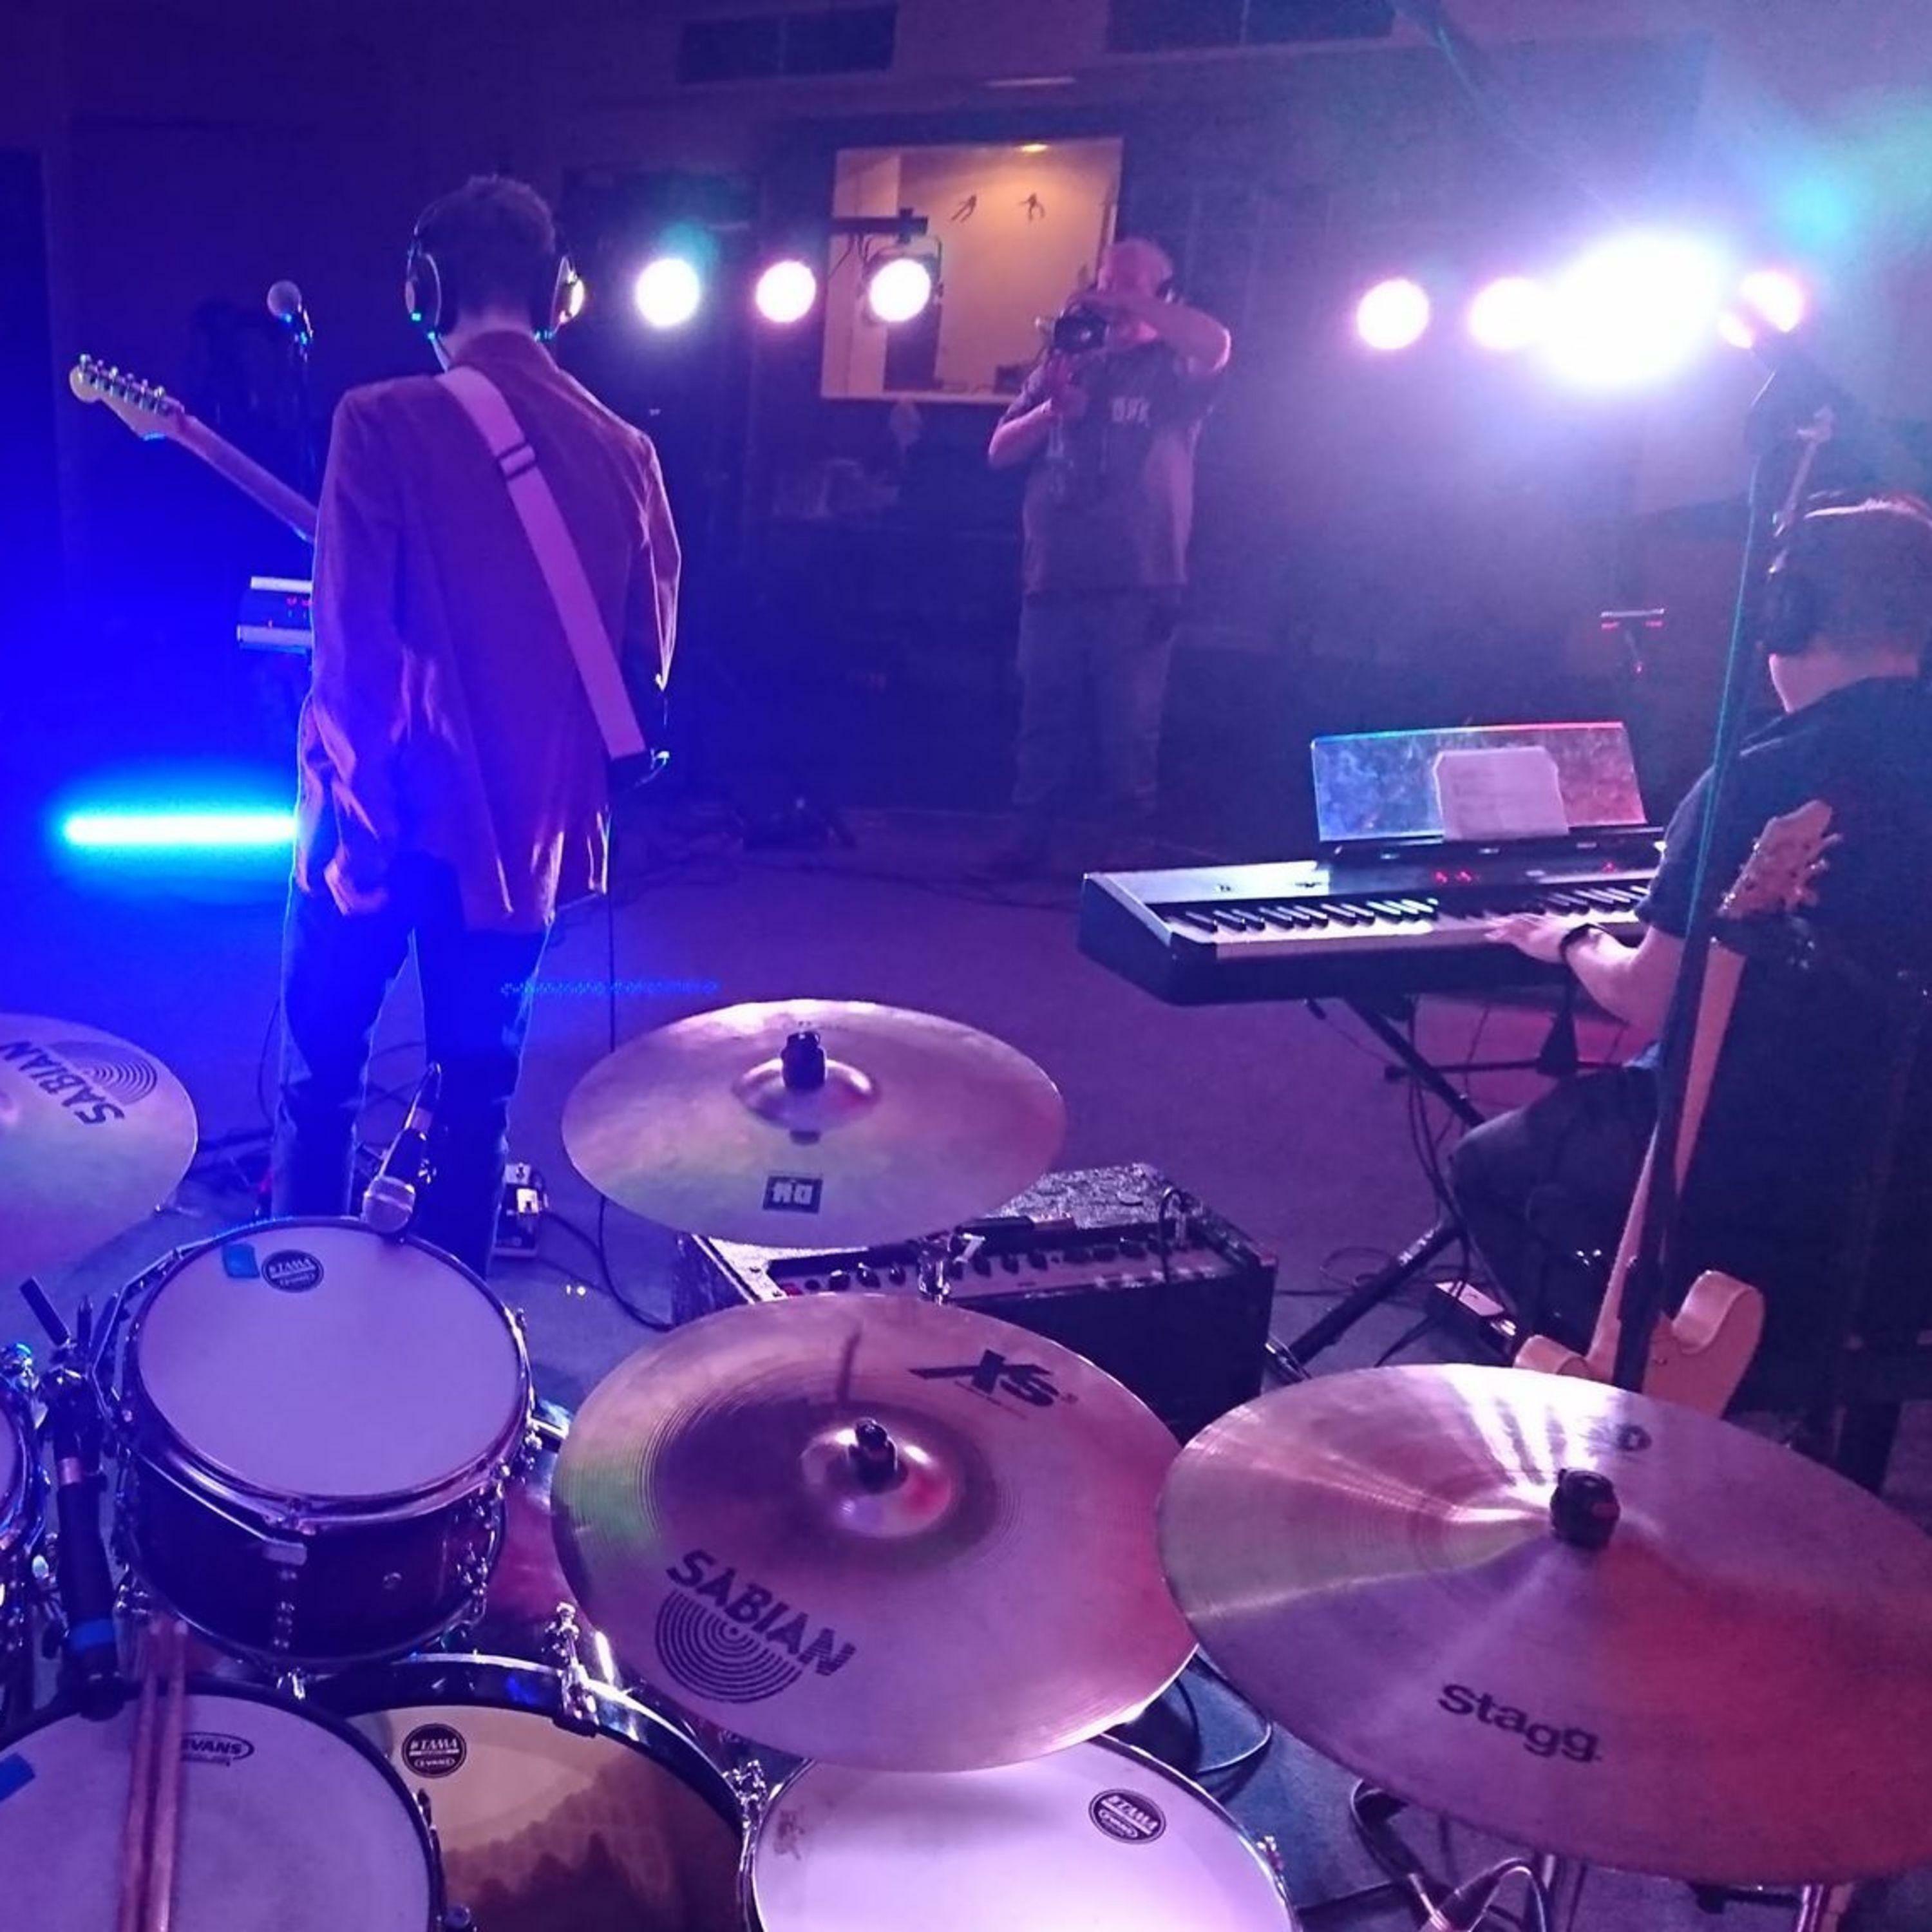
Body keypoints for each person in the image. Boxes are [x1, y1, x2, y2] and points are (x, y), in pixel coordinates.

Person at [273, 175, 679, 1276]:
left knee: (323, 1083)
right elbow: (645, 663)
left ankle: (293, 1312)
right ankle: (458, 1337)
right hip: (522, 845)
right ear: (557, 296)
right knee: (476, 1098)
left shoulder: (380, 421)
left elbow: (350, 654)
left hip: (383, 820)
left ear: (425, 290)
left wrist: (356, 844)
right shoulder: (626, 453)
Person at [1451, 495, 1932, 1406]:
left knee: (1492, 1164)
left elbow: (1651, 995)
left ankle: (1629, 1391)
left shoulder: (1765, 779)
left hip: (1753, 1179)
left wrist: (1574, 940)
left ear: (1786, 615)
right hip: (1909, 1191)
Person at [980, 237, 1231, 876]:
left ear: (1163, 293)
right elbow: (999, 451)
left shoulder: (1172, 369)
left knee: (1128, 728)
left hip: (1138, 580)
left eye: (1127, 284)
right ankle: (1031, 840)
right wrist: (1052, 410)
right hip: (1054, 575)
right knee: (1043, 719)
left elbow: (1216, 344)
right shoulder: (1071, 363)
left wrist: (1130, 302)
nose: (1108, 297)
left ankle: (1126, 853)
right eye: (1104, 282)